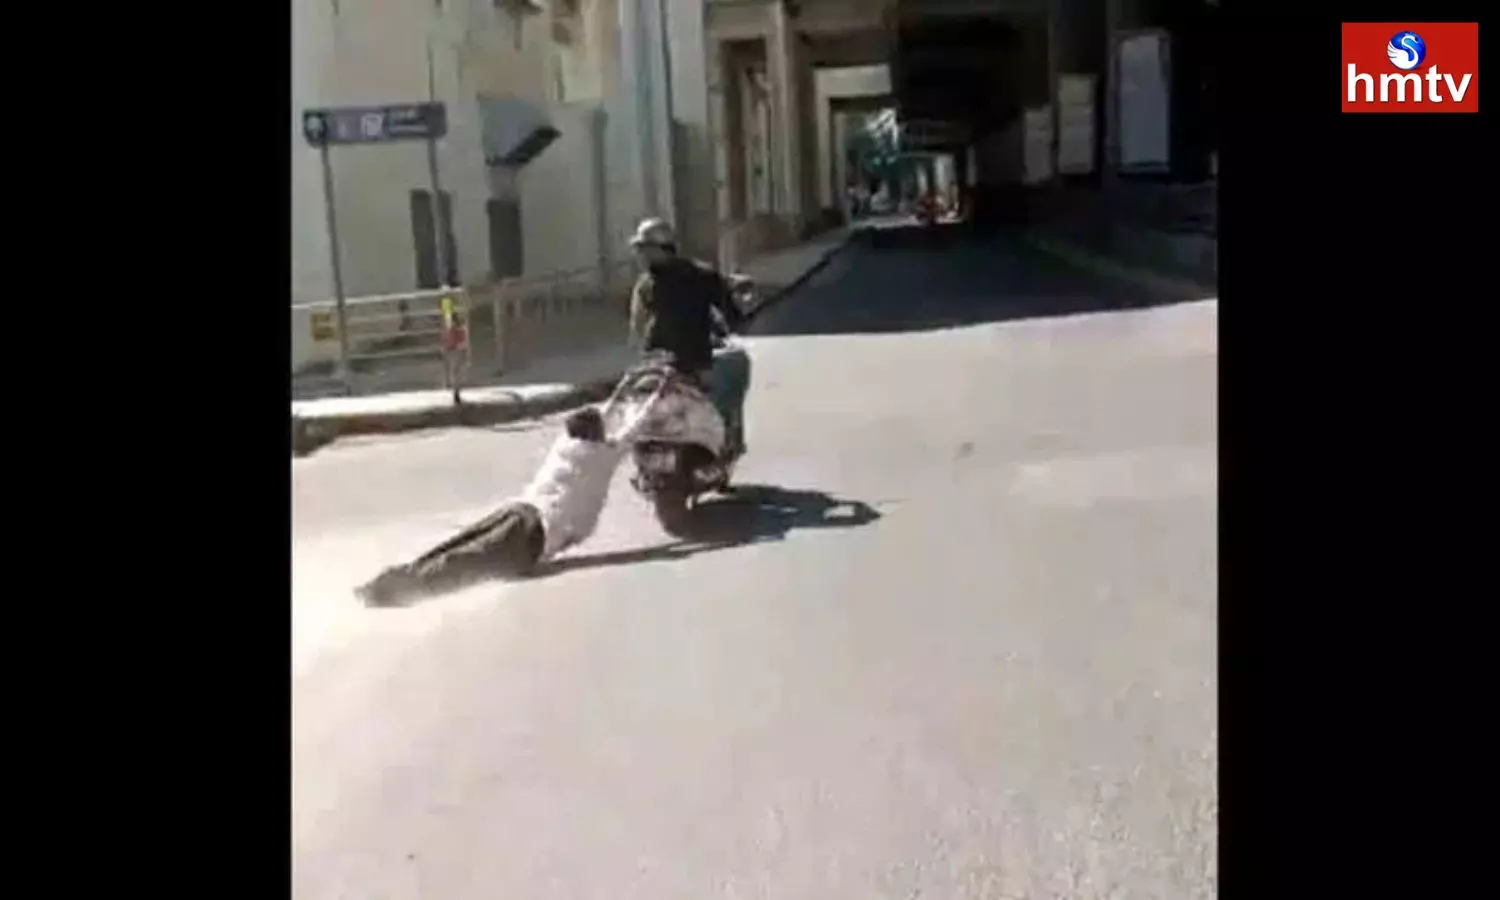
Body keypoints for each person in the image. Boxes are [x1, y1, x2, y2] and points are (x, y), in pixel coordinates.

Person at [355, 394, 661, 607]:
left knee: (455, 547)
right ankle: (391, 592)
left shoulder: (565, 444)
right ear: (597, 436)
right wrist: (655, 397)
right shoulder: (602, 457)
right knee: (463, 562)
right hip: (533, 533)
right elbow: (632, 431)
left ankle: (385, 584)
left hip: (519, 509)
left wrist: (617, 404)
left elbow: (604, 420)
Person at [627, 217, 751, 456]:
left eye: (645, 250)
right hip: (692, 359)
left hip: (654, 362)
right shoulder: (701, 275)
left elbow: (637, 326)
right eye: (640, 250)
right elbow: (730, 312)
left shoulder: (645, 284)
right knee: (730, 380)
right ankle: (724, 444)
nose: (641, 256)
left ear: (661, 249)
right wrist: (737, 321)